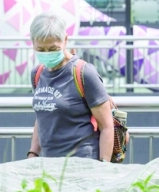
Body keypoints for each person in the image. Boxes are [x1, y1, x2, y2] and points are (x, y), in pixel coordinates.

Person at [26, 12, 115, 162]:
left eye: (53, 48)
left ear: (65, 40)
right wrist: (33, 153)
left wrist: (103, 165)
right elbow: (42, 117)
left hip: (82, 162)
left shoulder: (84, 72)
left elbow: (106, 126)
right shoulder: (37, 73)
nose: (47, 54)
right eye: (41, 50)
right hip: (48, 163)